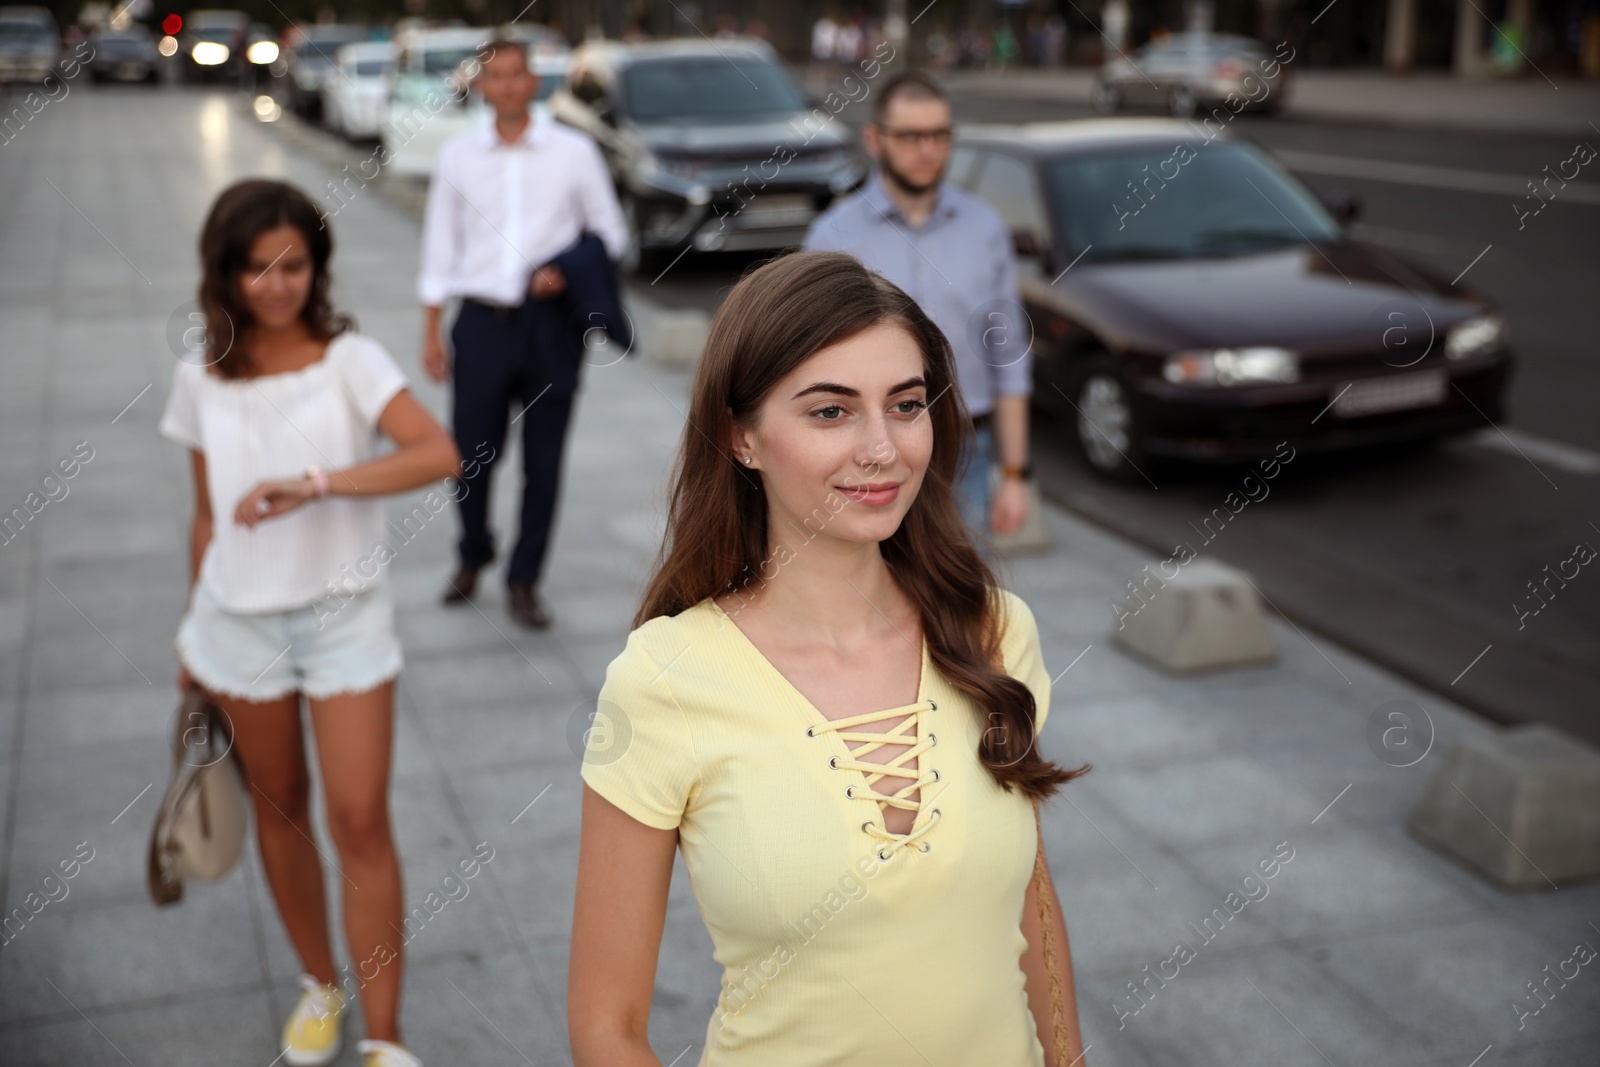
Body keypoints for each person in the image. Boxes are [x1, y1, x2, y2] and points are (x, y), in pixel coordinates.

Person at [569, 251, 1088, 1066]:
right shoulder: (662, 679)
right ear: (742, 437)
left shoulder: (994, 629)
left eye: (906, 404)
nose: (882, 448)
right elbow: (606, 1025)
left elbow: (1032, 901)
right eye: (830, 412)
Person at [161, 179, 460, 1067]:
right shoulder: (199, 376)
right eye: (257, 267)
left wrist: (320, 482)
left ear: (317, 267)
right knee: (279, 809)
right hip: (235, 629)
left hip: (345, 620)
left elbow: (436, 451)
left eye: (294, 264)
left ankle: (386, 1036)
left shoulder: (350, 358)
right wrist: (191, 633)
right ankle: (319, 985)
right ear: (226, 272)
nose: (278, 284)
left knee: (361, 820)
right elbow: (206, 516)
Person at [418, 37, 629, 628]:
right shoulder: (458, 156)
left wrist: (565, 272)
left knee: (544, 462)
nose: (508, 85)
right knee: (469, 456)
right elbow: (440, 245)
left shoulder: (573, 151)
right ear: (481, 86)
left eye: (518, 74)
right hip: (481, 323)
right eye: (496, 76)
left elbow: (611, 234)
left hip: (551, 328)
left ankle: (524, 578)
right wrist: (431, 330)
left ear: (533, 81)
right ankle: (473, 551)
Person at [804, 70, 1034, 545]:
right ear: (874, 139)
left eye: (939, 135)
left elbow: (1008, 356)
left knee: (958, 602)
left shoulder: (984, 227)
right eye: (910, 136)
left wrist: (1015, 473)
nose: (927, 150)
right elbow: (810, 363)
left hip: (965, 450)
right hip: (869, 451)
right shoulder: (832, 237)